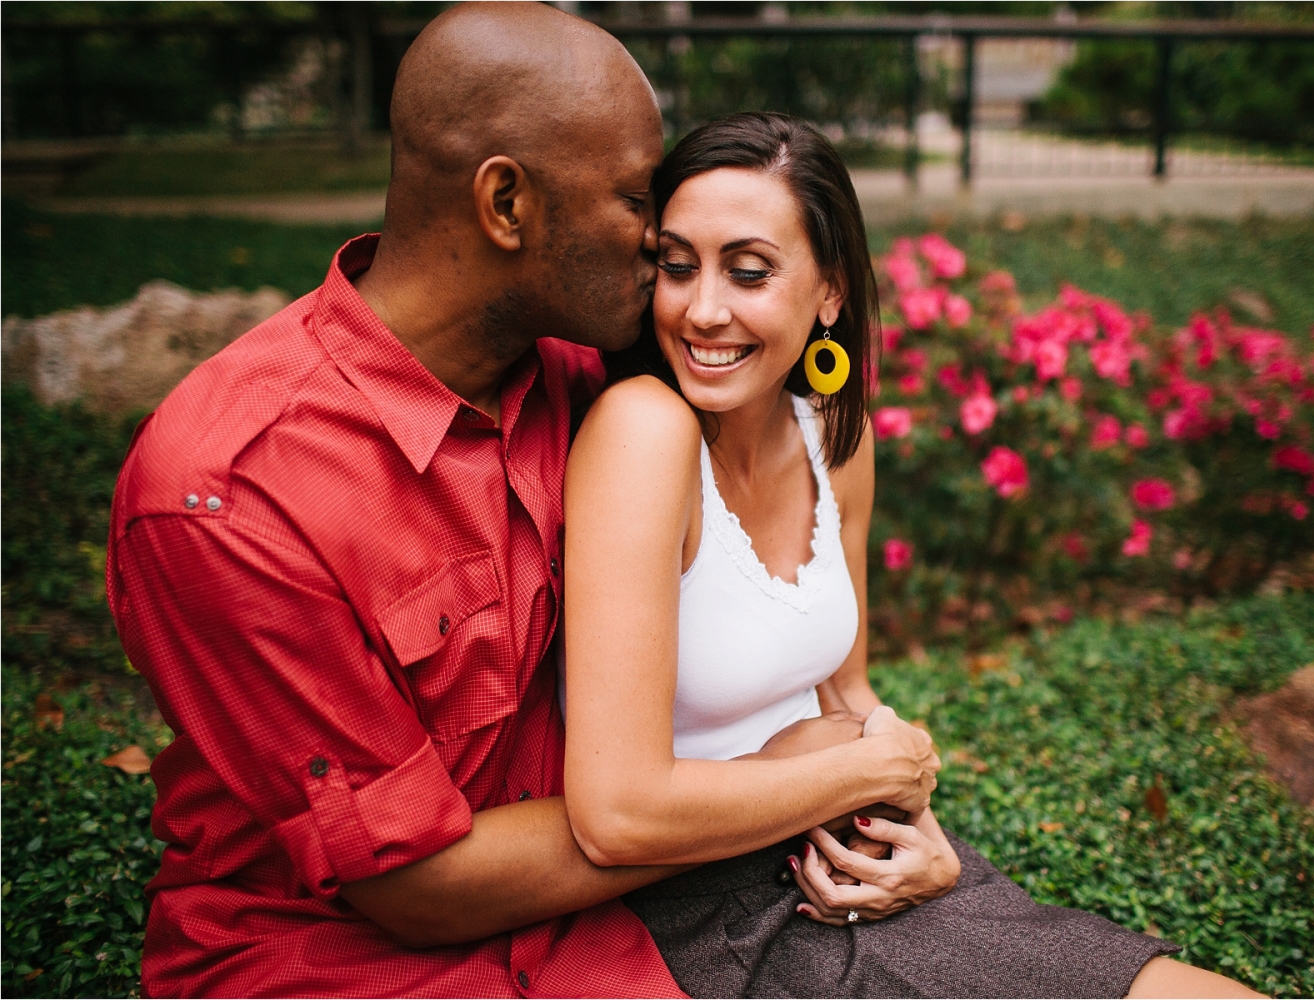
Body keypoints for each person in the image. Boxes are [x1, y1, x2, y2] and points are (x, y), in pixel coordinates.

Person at [104, 7, 925, 997]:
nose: (660, 241)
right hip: (343, 962)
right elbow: (415, 886)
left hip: (614, 918)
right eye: (637, 200)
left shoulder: (578, 374)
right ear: (506, 203)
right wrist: (794, 777)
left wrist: (834, 777)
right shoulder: (227, 496)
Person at [561, 112, 1264, 999]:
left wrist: (923, 834)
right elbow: (620, 814)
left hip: (841, 838)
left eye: (748, 271)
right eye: (677, 265)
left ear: (830, 292)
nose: (702, 309)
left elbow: (846, 689)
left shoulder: (832, 435)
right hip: (703, 902)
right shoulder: (643, 431)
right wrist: (867, 770)